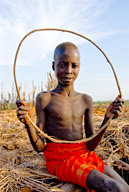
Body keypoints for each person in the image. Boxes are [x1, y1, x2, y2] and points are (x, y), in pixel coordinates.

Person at [16, 42, 129, 192]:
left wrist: (107, 119)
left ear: (79, 67)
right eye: (62, 65)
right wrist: (27, 123)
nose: (68, 71)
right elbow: (40, 146)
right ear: (53, 66)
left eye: (74, 66)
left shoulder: (85, 100)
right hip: (61, 160)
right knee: (115, 188)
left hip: (85, 155)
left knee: (125, 187)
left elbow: (90, 145)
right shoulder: (45, 99)